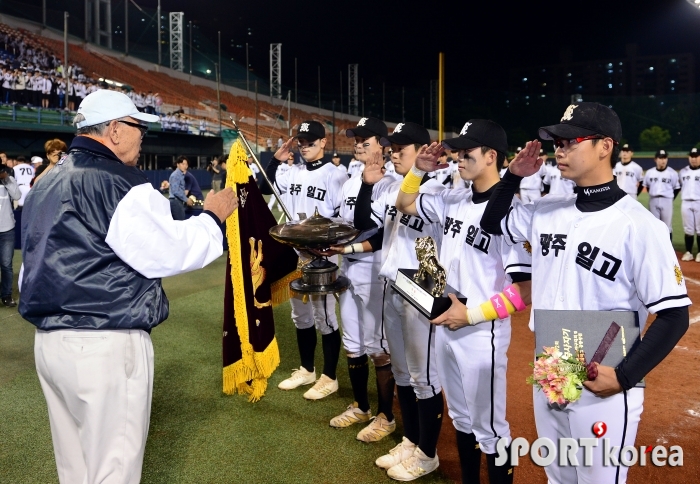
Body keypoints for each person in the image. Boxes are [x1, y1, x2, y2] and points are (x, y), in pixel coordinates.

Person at [20, 89, 237, 484]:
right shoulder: (119, 181)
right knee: (112, 473)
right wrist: (213, 217)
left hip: (50, 343)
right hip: (104, 341)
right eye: (139, 127)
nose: (143, 137)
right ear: (116, 130)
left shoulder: (46, 181)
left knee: (76, 470)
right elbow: (169, 252)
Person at [480, 102, 691, 484]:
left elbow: (674, 314)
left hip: (605, 378)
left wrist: (624, 377)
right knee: (558, 478)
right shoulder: (546, 210)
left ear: (605, 146)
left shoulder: (640, 226)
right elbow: (492, 221)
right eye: (556, 142)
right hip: (551, 366)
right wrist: (511, 176)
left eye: (570, 140)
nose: (559, 150)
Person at [395, 120, 532, 483]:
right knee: (461, 418)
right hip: (447, 322)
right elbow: (404, 203)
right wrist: (417, 172)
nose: (457, 156)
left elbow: (524, 292)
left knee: (491, 429)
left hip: (480, 331)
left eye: (466, 150)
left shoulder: (511, 214)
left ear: (491, 157)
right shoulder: (454, 198)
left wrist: (470, 315)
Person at [353, 122, 448, 480]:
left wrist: (419, 174)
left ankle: (428, 453)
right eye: (392, 147)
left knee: (424, 376)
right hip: (393, 282)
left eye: (402, 148)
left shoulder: (438, 190)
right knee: (402, 372)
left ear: (424, 150)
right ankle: (410, 440)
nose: (394, 153)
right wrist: (367, 182)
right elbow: (364, 222)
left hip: (421, 282)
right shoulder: (391, 184)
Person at [265, 120, 348, 400]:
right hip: (295, 252)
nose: (304, 147)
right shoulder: (292, 171)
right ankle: (307, 369)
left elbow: (343, 219)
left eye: (310, 142)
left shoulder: (336, 174)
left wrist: (327, 245)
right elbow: (266, 186)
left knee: (324, 316)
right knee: (299, 315)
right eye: (300, 143)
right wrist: (275, 159)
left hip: (322, 254)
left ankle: (330, 377)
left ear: (324, 142)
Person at [327, 117, 397, 443]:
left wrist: (348, 245)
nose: (358, 144)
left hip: (375, 268)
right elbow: (344, 222)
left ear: (384, 146)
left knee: (378, 346)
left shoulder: (394, 183)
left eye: (366, 140)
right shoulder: (350, 180)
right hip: (349, 266)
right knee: (352, 343)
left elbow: (385, 233)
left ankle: (387, 416)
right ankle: (361, 406)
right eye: (356, 139)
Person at [642, 149, 680, 240]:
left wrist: (670, 198)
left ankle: (668, 249)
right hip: (653, 200)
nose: (663, 160)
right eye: (660, 158)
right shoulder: (650, 172)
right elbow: (647, 186)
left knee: (667, 227)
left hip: (667, 200)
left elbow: (677, 188)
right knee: (654, 226)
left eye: (665, 158)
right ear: (655, 159)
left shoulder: (672, 173)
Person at [0, 160, 20, 307]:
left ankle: (6, 295)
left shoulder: (9, 179)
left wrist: (6, 178)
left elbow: (17, 195)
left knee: (6, 265)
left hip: (7, 229)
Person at [679, 147, 700, 261]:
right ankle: (688, 252)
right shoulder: (683, 171)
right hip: (686, 202)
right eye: (692, 156)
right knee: (688, 229)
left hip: (699, 202)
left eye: (696, 156)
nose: (693, 159)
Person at [169, 156, 191, 220]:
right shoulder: (176, 175)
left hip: (178, 201)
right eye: (183, 164)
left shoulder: (180, 174)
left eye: (186, 164)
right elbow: (176, 191)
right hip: (176, 202)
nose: (185, 166)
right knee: (180, 223)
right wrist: (186, 199)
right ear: (178, 164)